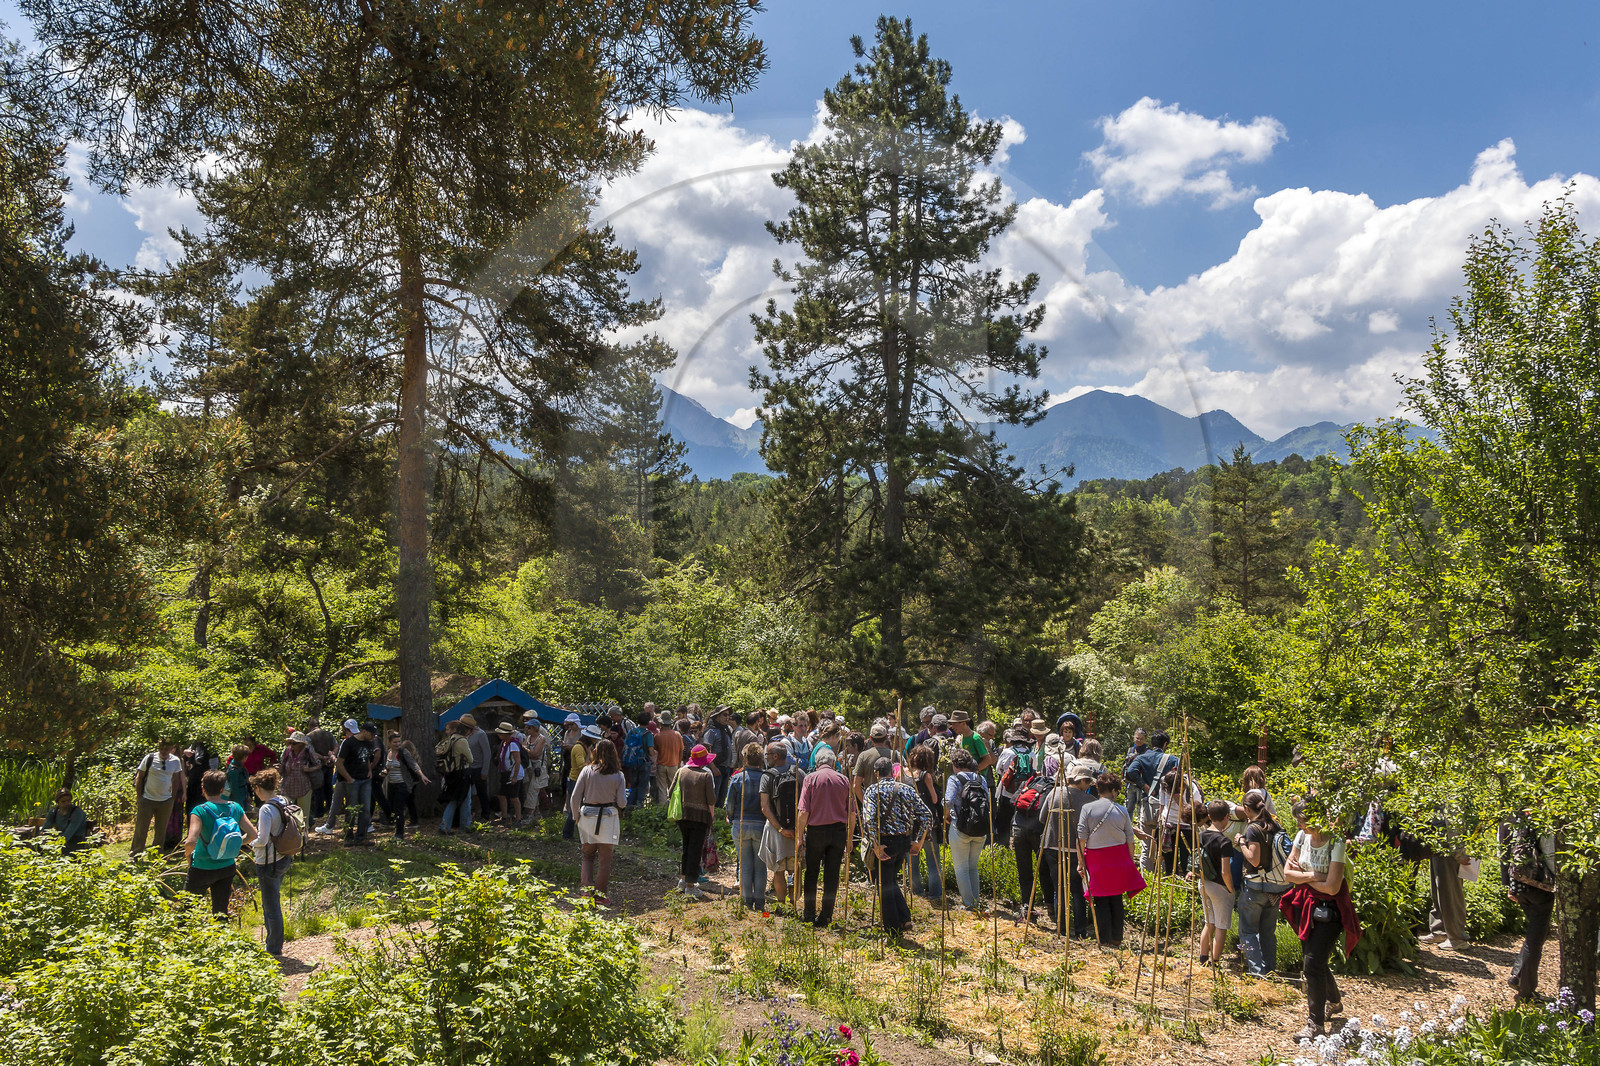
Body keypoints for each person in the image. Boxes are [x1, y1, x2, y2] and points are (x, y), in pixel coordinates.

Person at [1280, 799, 1359, 1041]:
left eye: (1302, 820)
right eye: (1297, 821)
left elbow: (1334, 887)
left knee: (1312, 964)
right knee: (1316, 961)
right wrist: (1315, 875)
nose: (1299, 824)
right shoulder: (1301, 837)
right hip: (1304, 905)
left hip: (1330, 911)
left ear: (1314, 817)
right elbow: (1287, 874)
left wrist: (1302, 876)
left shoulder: (1335, 841)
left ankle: (1315, 1024)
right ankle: (1334, 1001)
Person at [860, 756, 931, 934]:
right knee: (890, 880)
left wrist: (876, 846)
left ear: (876, 774)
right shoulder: (907, 789)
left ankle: (892, 929)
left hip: (885, 842)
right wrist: (919, 842)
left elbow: (868, 821)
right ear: (892, 772)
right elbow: (927, 815)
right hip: (904, 842)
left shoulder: (871, 791)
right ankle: (905, 919)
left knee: (884, 885)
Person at [1077, 773, 1145, 946]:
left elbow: (1081, 839)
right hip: (1119, 859)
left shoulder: (1088, 809)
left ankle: (1104, 939)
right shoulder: (1121, 810)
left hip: (1096, 859)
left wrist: (1080, 863)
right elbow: (1130, 839)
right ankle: (1117, 938)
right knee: (1116, 899)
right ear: (1114, 790)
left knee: (1100, 900)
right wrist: (1129, 862)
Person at [1500, 806, 1556, 1002]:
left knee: (1533, 932)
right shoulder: (1542, 818)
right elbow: (1550, 856)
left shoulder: (1510, 818)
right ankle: (1526, 990)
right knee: (1536, 939)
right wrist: (1558, 879)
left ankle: (1517, 975)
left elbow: (1504, 852)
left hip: (1519, 884)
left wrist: (1509, 885)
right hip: (1540, 886)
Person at [185, 768, 255, 919]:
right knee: (221, 911)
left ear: (202, 789)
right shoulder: (234, 807)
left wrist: (188, 856)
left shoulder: (200, 811)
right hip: (227, 866)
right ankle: (221, 939)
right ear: (223, 789)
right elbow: (253, 834)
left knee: (187, 911)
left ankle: (186, 941)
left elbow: (191, 840)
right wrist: (234, 845)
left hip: (202, 867)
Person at [1236, 790, 1290, 977]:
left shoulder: (1253, 829)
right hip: (1276, 887)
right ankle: (1271, 971)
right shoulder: (1275, 824)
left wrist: (1241, 843)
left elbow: (1254, 859)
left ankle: (1257, 974)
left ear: (1246, 808)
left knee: (1249, 931)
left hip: (1256, 887)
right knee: (1268, 932)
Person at [796, 748, 852, 927]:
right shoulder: (844, 780)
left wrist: (799, 836)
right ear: (834, 762)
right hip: (838, 832)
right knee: (832, 875)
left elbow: (803, 811)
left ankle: (809, 914)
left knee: (811, 873)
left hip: (816, 832)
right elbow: (852, 813)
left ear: (817, 763)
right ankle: (826, 916)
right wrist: (849, 839)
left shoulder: (810, 779)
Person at [1039, 763, 1095, 936]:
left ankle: (1062, 929)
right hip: (1075, 849)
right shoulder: (1089, 801)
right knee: (1078, 890)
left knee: (1059, 888)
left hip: (1052, 846)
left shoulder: (1054, 792)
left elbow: (1042, 818)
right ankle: (1080, 930)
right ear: (1083, 781)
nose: (1088, 787)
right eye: (1088, 783)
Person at [569, 737, 627, 903]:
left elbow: (575, 796)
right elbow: (622, 803)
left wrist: (576, 816)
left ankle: (586, 892)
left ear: (595, 751)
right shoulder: (618, 775)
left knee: (587, 856)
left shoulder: (587, 771)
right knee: (605, 860)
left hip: (587, 816)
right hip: (609, 818)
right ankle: (600, 896)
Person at [248, 768, 295, 955]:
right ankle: (271, 942)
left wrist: (249, 843)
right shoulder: (283, 801)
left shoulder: (266, 809)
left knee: (271, 906)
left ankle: (274, 948)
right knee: (273, 900)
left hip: (268, 862)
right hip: (284, 856)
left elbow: (262, 839)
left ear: (258, 788)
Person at [1124, 731, 1177, 873]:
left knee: (1146, 844)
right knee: (1166, 845)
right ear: (1165, 744)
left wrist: (1144, 786)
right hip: (1166, 809)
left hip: (1147, 806)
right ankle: (1163, 877)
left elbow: (1130, 771)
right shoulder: (1172, 760)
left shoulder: (1142, 758)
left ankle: (1146, 878)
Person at [944, 748, 989, 912]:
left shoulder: (954, 779)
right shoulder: (980, 778)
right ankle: (976, 901)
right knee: (973, 867)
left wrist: (946, 816)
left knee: (961, 868)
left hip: (960, 827)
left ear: (954, 764)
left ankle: (969, 904)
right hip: (980, 828)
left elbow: (948, 801)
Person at [316, 719, 375, 844]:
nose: (373, 737)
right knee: (351, 808)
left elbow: (368, 758)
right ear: (364, 731)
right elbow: (339, 762)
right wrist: (348, 777)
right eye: (371, 734)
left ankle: (361, 837)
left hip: (365, 779)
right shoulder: (348, 743)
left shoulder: (369, 742)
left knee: (365, 808)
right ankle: (348, 836)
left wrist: (369, 770)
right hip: (352, 780)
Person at [726, 743, 769, 910]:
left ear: (745, 758)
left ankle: (746, 902)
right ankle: (759, 903)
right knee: (760, 866)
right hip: (761, 825)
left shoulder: (738, 778)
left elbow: (729, 805)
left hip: (741, 824)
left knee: (744, 864)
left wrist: (731, 818)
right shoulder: (766, 777)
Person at [671, 745, 718, 898]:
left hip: (683, 816)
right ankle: (690, 886)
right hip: (700, 818)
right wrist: (712, 817)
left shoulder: (680, 771)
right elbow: (711, 800)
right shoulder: (706, 776)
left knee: (686, 848)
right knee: (695, 851)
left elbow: (670, 792)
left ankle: (683, 880)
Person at [758, 741, 800, 907]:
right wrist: (797, 829)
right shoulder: (798, 773)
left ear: (775, 756)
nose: (766, 758)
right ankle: (794, 905)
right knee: (794, 870)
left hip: (776, 831)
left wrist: (781, 829)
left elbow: (764, 807)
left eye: (767, 755)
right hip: (796, 830)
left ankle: (781, 905)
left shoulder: (767, 776)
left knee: (778, 871)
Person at [1419, 821, 1471, 951]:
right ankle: (1440, 932)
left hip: (1449, 850)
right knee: (1438, 891)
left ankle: (1458, 938)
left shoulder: (1451, 800)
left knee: (1450, 893)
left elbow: (1454, 820)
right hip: (1438, 846)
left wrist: (1459, 852)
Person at [1197, 799, 1238, 966]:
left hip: (1203, 883)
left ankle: (1203, 958)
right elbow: (1225, 871)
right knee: (1221, 926)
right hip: (1220, 886)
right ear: (1227, 817)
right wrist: (1231, 889)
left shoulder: (1200, 835)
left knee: (1209, 922)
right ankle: (1215, 962)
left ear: (1209, 816)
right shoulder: (1224, 841)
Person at [131, 737, 184, 855]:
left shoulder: (175, 761)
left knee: (161, 830)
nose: (163, 751)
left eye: (166, 749)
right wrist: (139, 797)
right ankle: (135, 853)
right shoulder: (149, 758)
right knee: (141, 829)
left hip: (165, 801)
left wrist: (172, 797)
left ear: (171, 749)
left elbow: (176, 779)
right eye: (161, 748)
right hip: (147, 799)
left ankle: (156, 855)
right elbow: (139, 777)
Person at [908, 744, 945, 903]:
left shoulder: (903, 774)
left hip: (909, 821)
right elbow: (935, 799)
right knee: (933, 859)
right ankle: (935, 894)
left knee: (912, 858)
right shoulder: (926, 776)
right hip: (926, 823)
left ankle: (917, 891)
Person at [382, 731, 430, 840]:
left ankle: (399, 834)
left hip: (403, 784)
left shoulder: (404, 752)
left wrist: (422, 776)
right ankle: (396, 829)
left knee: (399, 809)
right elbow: (386, 767)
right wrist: (384, 772)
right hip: (391, 784)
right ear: (389, 742)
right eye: (395, 742)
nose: (397, 744)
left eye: (399, 741)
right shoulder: (387, 753)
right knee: (392, 808)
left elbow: (414, 765)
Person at [1157, 766, 1203, 876]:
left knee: (1186, 859)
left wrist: (1180, 802)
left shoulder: (1192, 789)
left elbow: (1197, 811)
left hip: (1186, 826)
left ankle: (1186, 883)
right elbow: (1162, 803)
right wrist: (1160, 820)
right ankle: (1170, 878)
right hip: (1167, 824)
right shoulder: (1164, 782)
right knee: (1168, 858)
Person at [436, 720, 475, 834]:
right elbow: (471, 759)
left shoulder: (449, 740)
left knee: (452, 800)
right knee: (465, 800)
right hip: (462, 774)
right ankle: (464, 826)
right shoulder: (461, 741)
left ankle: (445, 826)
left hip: (450, 773)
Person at [563, 724, 594, 842]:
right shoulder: (578, 748)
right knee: (575, 808)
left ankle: (575, 833)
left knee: (579, 808)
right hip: (575, 781)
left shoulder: (586, 748)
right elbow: (582, 766)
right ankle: (567, 833)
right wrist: (588, 760)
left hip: (581, 781)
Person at [277, 733, 317, 825]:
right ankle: (290, 836)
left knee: (303, 816)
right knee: (286, 813)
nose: (291, 745)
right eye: (290, 743)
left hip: (304, 787)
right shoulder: (287, 751)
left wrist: (309, 769)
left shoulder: (308, 752)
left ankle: (304, 838)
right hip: (287, 786)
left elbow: (318, 764)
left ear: (301, 744)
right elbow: (282, 765)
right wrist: (279, 768)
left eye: (294, 743)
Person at [620, 711, 654, 810]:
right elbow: (651, 751)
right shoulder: (648, 734)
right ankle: (639, 809)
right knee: (642, 787)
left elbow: (625, 745)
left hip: (632, 762)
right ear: (648, 722)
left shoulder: (631, 732)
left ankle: (629, 807)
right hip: (644, 763)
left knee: (633, 785)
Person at [463, 714, 492, 829]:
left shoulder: (481, 734)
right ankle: (470, 813)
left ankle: (486, 815)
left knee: (482, 792)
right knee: (467, 792)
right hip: (468, 768)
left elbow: (487, 753)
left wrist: (485, 770)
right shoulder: (466, 735)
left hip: (478, 768)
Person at [702, 707, 735, 807]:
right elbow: (706, 751)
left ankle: (719, 819)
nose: (727, 717)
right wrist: (713, 768)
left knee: (722, 798)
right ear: (717, 716)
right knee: (714, 797)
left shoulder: (725, 730)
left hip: (726, 768)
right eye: (725, 715)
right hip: (716, 768)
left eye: (728, 715)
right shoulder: (711, 731)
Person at [494, 722, 524, 825]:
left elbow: (517, 761)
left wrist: (514, 777)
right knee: (501, 795)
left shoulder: (513, 744)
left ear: (507, 734)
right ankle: (504, 817)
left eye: (501, 734)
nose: (499, 735)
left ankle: (518, 819)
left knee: (514, 797)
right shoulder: (504, 743)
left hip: (514, 773)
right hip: (506, 773)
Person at [950, 711, 995, 775]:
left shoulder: (975, 738)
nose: (952, 727)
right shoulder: (961, 738)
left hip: (977, 780)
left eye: (954, 724)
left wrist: (973, 772)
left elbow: (987, 760)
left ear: (963, 723)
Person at [654, 713, 683, 805]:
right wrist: (678, 763)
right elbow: (681, 750)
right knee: (674, 787)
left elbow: (656, 750)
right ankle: (674, 808)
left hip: (661, 765)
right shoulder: (677, 735)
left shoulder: (657, 736)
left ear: (661, 723)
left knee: (662, 788)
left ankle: (662, 810)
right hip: (673, 764)